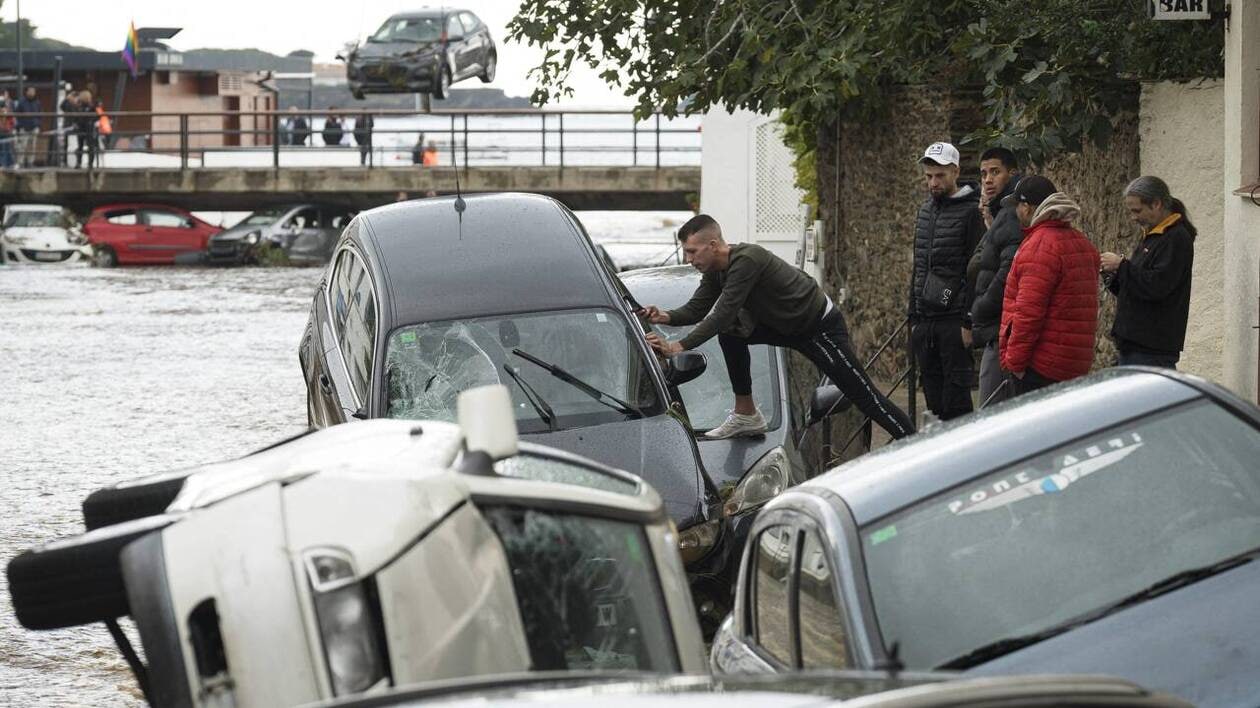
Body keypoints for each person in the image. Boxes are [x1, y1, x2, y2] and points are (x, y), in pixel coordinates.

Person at [639, 214, 915, 440]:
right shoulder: (714, 270)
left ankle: (913, 444)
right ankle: (746, 413)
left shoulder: (748, 259)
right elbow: (697, 309)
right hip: (786, 329)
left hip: (819, 329)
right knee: (731, 333)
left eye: (692, 251)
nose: (688, 259)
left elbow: (722, 313)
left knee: (865, 397)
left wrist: (677, 346)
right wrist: (666, 316)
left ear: (713, 245)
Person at [998, 176, 1100, 397]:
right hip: (1074, 365)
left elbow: (1028, 313)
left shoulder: (1039, 246)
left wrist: (1014, 363)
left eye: (1017, 205)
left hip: (1041, 368)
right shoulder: (1082, 242)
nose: (1016, 212)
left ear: (1027, 207)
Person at [910, 142, 984, 421]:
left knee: (957, 402)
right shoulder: (925, 211)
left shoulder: (971, 212)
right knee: (932, 401)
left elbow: (976, 269)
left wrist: (967, 320)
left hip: (953, 320)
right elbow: (918, 265)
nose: (933, 182)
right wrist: (913, 317)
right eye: (928, 176)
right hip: (925, 320)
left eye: (939, 176)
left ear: (955, 171)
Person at [1100, 176, 1196, 369]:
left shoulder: (1176, 238)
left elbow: (1157, 286)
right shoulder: (1154, 236)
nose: (1134, 217)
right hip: (1136, 345)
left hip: (1152, 348)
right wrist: (1112, 275)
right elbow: (1137, 287)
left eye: (1137, 210)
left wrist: (1121, 266)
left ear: (1156, 204)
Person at [966, 147, 1022, 405]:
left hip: (1001, 329)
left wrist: (979, 309)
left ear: (1012, 174)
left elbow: (1007, 271)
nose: (987, 180)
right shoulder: (1001, 212)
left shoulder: (1011, 213)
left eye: (995, 172)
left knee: (991, 412)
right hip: (997, 328)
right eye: (983, 174)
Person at [15, 87, 41, 168]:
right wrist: (20, 125)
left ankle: (30, 162)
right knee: (22, 145)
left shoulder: (37, 102)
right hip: (24, 127)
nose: (32, 93)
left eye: (33, 91)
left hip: (34, 127)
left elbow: (40, 113)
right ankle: (20, 163)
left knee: (32, 146)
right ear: (26, 92)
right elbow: (17, 114)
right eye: (30, 91)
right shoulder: (21, 102)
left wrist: (38, 124)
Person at [73, 90, 97, 169]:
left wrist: (91, 121)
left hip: (89, 127)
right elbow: (76, 117)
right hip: (81, 127)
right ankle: (79, 163)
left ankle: (90, 163)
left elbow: (97, 116)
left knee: (90, 146)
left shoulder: (92, 106)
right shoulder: (79, 106)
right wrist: (76, 123)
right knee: (80, 145)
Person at [59, 90, 80, 167]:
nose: (74, 99)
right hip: (68, 126)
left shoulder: (78, 105)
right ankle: (65, 161)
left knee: (76, 145)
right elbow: (61, 106)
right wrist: (67, 99)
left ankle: (76, 161)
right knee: (66, 145)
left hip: (76, 127)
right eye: (73, 97)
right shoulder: (67, 104)